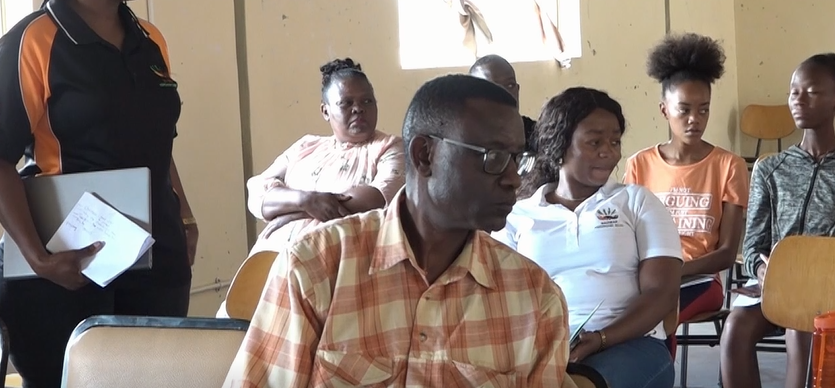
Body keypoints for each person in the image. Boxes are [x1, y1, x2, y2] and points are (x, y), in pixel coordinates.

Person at [226, 75, 575, 387]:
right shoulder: (317, 269)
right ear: (424, 155)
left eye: (518, 158)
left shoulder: (534, 298)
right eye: (494, 157)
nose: (513, 178)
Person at [0, 0, 195, 388]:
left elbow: (159, 141)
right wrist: (39, 259)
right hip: (63, 266)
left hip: (152, 258)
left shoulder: (150, 40)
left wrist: (183, 216)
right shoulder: (30, 42)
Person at [496, 87, 682, 388]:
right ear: (560, 145)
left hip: (630, 345)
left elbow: (662, 292)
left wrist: (601, 338)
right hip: (542, 348)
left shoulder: (637, 202)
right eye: (595, 142)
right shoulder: (518, 216)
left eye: (614, 141)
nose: (608, 151)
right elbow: (501, 298)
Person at [719, 54, 835, 388]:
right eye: (794, 92)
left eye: (812, 92)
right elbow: (753, 246)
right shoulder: (771, 169)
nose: (798, 99)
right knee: (735, 327)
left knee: (802, 325)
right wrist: (763, 271)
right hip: (778, 286)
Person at [623, 33, 748, 344]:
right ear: (664, 110)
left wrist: (673, 272)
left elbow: (726, 253)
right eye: (684, 110)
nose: (695, 119)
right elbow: (626, 237)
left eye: (704, 110)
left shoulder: (728, 165)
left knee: (659, 311)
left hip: (700, 280)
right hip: (647, 277)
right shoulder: (640, 164)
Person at [245, 58, 404, 249]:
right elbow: (257, 193)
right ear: (325, 111)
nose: (358, 109)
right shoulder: (306, 146)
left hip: (338, 260)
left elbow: (375, 199)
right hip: (270, 259)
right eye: (346, 103)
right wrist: (305, 200)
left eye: (367, 101)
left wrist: (294, 213)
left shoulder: (390, 148)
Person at [470, 54, 537, 150]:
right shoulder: (464, 141)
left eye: (510, 85)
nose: (505, 93)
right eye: (492, 87)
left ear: (517, 90)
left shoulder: (538, 135)